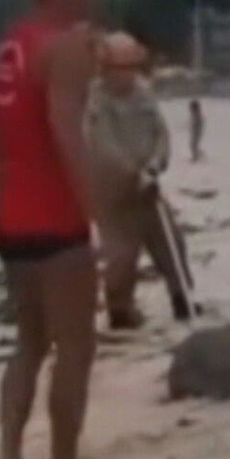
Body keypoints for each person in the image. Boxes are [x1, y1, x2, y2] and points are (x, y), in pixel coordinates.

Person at [0, 0, 119, 459]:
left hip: (8, 218)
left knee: (29, 343)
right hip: (56, 222)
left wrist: (14, 176)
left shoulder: (8, 46)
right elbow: (67, 136)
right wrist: (98, 218)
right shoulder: (67, 48)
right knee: (75, 346)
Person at [86, 32, 200, 330]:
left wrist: (155, 164)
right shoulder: (96, 100)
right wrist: (131, 171)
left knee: (171, 242)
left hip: (148, 187)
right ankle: (120, 311)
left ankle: (182, 298)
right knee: (121, 256)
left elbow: (160, 134)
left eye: (131, 67)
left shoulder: (143, 93)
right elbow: (103, 145)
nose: (126, 74)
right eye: (119, 68)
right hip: (112, 196)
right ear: (105, 68)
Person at [189, 99, 206, 163]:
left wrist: (196, 129)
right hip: (195, 132)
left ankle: (196, 157)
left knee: (193, 145)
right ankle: (199, 155)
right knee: (193, 145)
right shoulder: (195, 114)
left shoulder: (197, 115)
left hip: (197, 132)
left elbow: (199, 123)